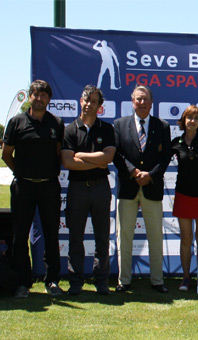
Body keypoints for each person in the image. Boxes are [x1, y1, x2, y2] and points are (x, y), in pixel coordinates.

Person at [2, 80, 65, 298]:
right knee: (20, 236)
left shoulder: (56, 123)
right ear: (30, 97)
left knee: (51, 235)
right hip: (23, 186)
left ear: (49, 99)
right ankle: (23, 282)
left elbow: (58, 154)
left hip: (48, 186)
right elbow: (6, 154)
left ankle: (52, 281)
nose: (39, 99)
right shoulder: (17, 122)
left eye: (43, 95)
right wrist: (20, 172)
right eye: (35, 95)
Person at [113, 85, 171, 293]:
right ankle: (123, 280)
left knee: (155, 236)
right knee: (124, 236)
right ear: (132, 101)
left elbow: (166, 157)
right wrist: (133, 172)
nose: (142, 103)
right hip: (128, 188)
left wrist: (150, 176)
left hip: (152, 188)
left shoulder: (162, 126)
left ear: (151, 102)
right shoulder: (119, 125)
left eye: (145, 99)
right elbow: (117, 154)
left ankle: (157, 281)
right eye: (138, 99)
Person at [61, 85, 116, 295]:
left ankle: (101, 282)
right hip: (77, 189)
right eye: (86, 99)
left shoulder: (107, 129)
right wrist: (97, 161)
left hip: (100, 188)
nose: (89, 104)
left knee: (102, 237)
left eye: (93, 101)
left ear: (99, 106)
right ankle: (76, 282)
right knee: (76, 237)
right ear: (80, 100)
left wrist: (80, 155)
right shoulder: (69, 129)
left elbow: (108, 158)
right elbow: (68, 162)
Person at [171, 105, 198, 291]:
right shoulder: (176, 142)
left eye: (196, 118)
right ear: (183, 120)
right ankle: (186, 278)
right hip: (183, 194)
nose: (192, 121)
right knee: (186, 238)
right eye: (189, 117)